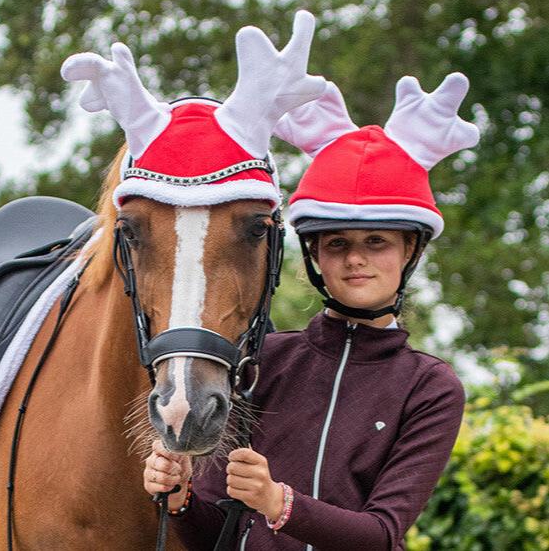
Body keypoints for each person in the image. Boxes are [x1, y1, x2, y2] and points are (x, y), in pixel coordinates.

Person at [143, 73, 480, 550]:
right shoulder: (261, 363)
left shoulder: (430, 387)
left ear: (410, 251)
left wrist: (278, 501)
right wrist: (179, 498)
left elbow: (382, 535)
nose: (355, 259)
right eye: (337, 243)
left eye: (376, 242)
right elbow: (217, 533)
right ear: (315, 255)